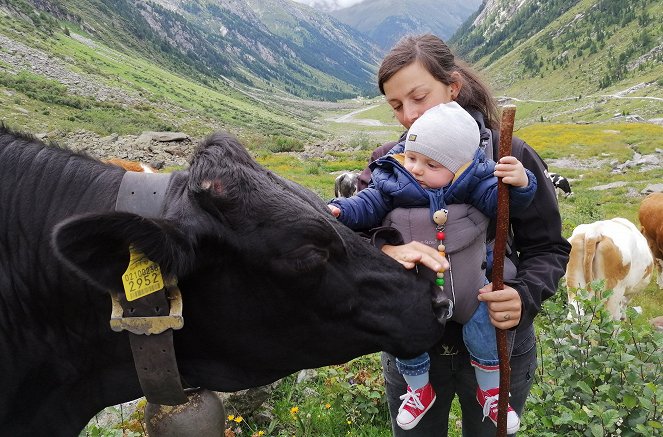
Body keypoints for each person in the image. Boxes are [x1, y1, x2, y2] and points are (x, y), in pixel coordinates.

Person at [355, 34, 571, 436]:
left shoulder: (509, 157)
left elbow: (548, 248)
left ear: (453, 87)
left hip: (498, 337)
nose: (409, 115)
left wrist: (523, 298)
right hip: (413, 345)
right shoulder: (387, 163)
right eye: (397, 106)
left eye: (419, 97)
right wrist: (384, 249)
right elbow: (356, 235)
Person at [329, 101, 536, 433]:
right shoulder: (395, 180)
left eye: (431, 163)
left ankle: (492, 392)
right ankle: (418, 388)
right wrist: (343, 210)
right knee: (405, 328)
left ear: (461, 167)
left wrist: (521, 184)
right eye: (412, 157)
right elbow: (367, 204)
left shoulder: (476, 183)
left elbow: (505, 203)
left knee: (484, 327)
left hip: (471, 291)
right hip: (417, 292)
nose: (416, 169)